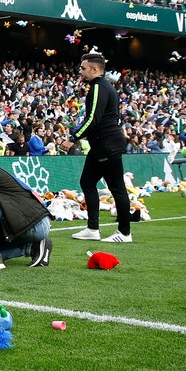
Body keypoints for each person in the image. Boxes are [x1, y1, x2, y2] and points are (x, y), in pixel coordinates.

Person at [63, 52, 133, 244]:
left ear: (95, 69)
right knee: (87, 182)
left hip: (106, 144)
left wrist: (73, 138)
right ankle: (93, 229)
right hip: (104, 144)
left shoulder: (98, 87)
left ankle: (124, 233)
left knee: (117, 188)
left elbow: (93, 119)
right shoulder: (104, 87)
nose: (80, 71)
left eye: (83, 68)